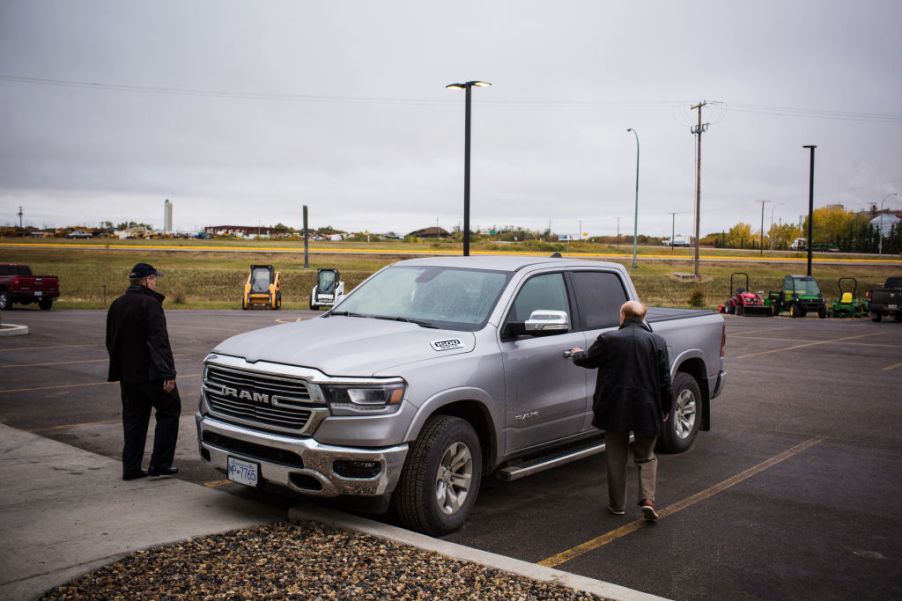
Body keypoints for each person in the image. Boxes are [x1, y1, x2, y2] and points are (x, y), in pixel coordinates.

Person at [569, 300, 673, 521]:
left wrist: (576, 353)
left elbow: (588, 360)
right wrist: (665, 408)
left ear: (622, 316)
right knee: (646, 456)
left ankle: (617, 505)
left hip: (614, 408)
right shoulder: (657, 341)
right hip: (647, 408)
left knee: (616, 457)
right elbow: (665, 381)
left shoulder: (608, 339)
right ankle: (647, 500)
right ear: (643, 318)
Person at [106, 262, 181, 480]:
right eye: (154, 278)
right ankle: (160, 463)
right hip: (152, 374)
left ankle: (131, 468)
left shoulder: (117, 304)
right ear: (147, 281)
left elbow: (110, 341)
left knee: (133, 420)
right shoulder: (150, 304)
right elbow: (159, 342)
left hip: (128, 376)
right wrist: (168, 373)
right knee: (170, 410)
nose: (156, 282)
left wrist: (121, 366)